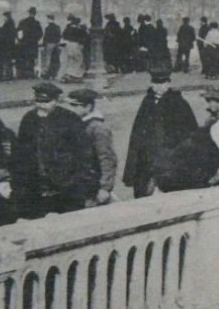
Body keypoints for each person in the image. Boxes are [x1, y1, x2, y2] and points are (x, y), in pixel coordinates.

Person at [9, 82, 98, 218]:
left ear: (56, 101)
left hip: (66, 186)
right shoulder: (29, 119)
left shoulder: (70, 119)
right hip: (36, 186)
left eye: (46, 102)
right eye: (38, 101)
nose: (41, 106)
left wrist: (79, 181)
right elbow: (21, 152)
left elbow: (84, 154)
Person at [124, 69, 199, 198]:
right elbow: (137, 132)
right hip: (148, 155)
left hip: (169, 154)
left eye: (163, 83)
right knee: (145, 191)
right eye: (156, 83)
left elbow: (190, 132)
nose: (159, 87)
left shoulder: (179, 103)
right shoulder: (147, 102)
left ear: (168, 83)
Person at [68, 88, 118, 206]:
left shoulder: (98, 128)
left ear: (88, 107)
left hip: (94, 185)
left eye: (75, 106)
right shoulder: (77, 123)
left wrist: (105, 187)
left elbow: (107, 158)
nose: (71, 109)